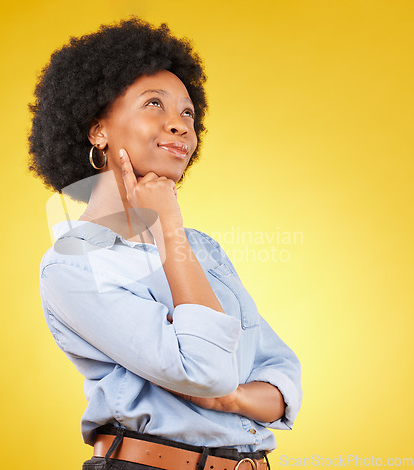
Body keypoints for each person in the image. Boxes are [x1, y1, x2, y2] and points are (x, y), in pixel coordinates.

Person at [28, 17, 302, 470]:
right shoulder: (72, 266)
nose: (179, 125)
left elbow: (281, 376)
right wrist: (168, 224)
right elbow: (207, 371)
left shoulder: (205, 250)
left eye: (188, 113)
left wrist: (230, 398)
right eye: (154, 104)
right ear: (98, 128)